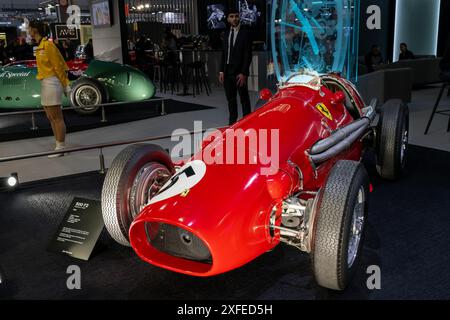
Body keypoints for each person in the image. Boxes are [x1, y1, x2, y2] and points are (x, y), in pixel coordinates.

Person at [28, 21, 70, 157]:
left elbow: (59, 66)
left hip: (53, 82)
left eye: (29, 29)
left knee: (57, 117)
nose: (28, 31)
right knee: (51, 116)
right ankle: (58, 144)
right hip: (46, 83)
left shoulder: (48, 45)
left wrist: (65, 84)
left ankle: (61, 147)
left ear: (34, 30)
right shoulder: (40, 46)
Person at [219, 7, 253, 125]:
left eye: (236, 16)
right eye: (231, 16)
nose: (234, 18)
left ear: (240, 17)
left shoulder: (246, 34)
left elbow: (248, 55)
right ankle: (232, 124)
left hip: (239, 73)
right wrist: (221, 71)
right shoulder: (226, 34)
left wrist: (244, 73)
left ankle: (247, 123)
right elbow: (224, 53)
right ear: (228, 19)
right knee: (230, 100)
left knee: (244, 99)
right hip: (227, 72)